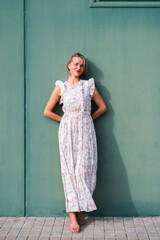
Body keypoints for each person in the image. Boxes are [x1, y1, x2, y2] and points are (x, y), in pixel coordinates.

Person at [44, 53, 107, 233]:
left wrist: (87, 119)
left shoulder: (88, 86)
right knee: (69, 171)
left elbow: (102, 107)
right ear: (69, 65)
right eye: (76, 64)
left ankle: (79, 209)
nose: (79, 67)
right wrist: (65, 120)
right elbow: (47, 111)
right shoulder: (61, 87)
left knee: (84, 171)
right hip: (67, 133)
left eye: (81, 66)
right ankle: (73, 214)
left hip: (86, 132)